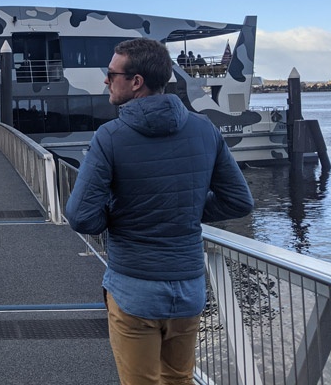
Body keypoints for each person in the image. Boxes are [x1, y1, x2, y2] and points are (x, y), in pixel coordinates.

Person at [65, 38, 253, 384]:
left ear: (136, 82)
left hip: (134, 289)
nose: (106, 81)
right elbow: (239, 201)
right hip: (189, 290)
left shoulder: (110, 136)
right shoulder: (205, 129)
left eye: (111, 74)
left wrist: (121, 214)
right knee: (179, 379)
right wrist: (186, 210)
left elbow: (80, 216)